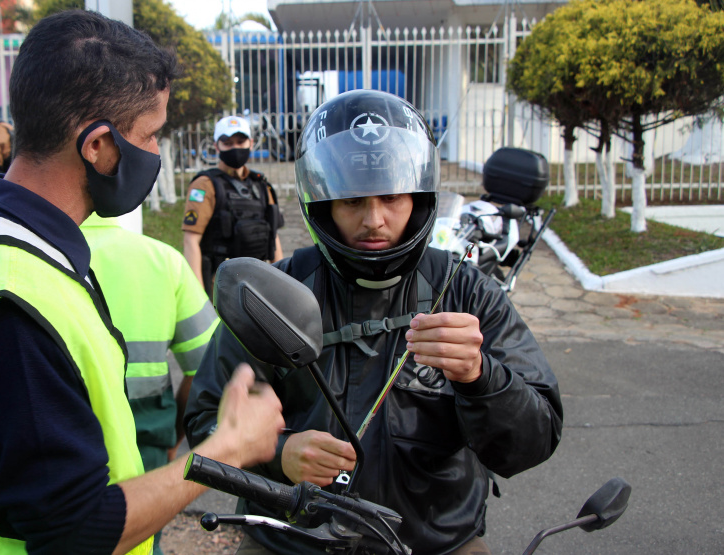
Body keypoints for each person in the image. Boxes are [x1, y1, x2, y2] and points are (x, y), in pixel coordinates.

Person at [0, 11, 284, 555]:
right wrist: (225, 451)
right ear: (98, 146)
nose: (155, 154)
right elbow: (74, 531)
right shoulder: (13, 306)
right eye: (150, 136)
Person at [184, 90, 563, 555]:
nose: (374, 220)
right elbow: (205, 419)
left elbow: (534, 440)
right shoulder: (275, 293)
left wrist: (480, 377)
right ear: (323, 204)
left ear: (419, 198)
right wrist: (279, 453)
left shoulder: (465, 291)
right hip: (292, 543)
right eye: (352, 202)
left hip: (436, 542)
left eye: (392, 198)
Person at [81, 213, 218, 555]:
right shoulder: (163, 261)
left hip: (55, 442)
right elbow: (207, 367)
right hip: (146, 448)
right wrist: (174, 437)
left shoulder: (30, 257)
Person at [182, 115, 284, 298]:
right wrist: (199, 297)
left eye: (240, 141)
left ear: (251, 143)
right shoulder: (205, 184)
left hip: (259, 282)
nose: (235, 148)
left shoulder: (261, 184)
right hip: (221, 284)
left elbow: (273, 236)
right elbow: (191, 241)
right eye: (227, 143)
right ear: (216, 147)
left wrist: (283, 282)